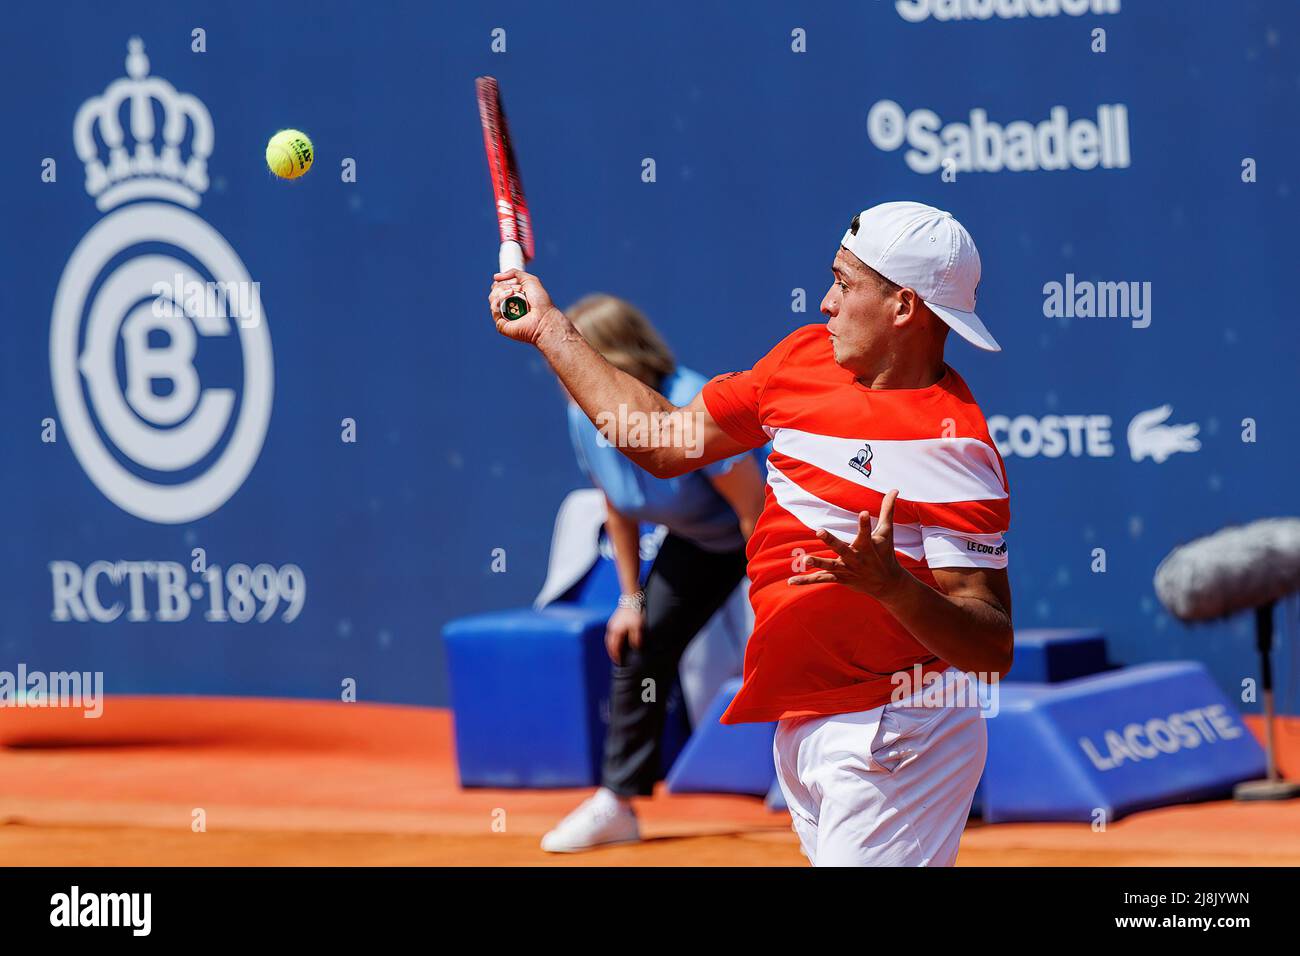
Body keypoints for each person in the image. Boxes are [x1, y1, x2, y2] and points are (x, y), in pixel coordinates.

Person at [489, 201, 1013, 866]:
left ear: (904, 307)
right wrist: (549, 329)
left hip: (901, 732)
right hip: (805, 724)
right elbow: (661, 440)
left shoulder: (953, 445)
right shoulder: (801, 359)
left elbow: (992, 644)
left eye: (846, 285)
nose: (825, 302)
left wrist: (896, 590)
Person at [540, 294, 766, 853]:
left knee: (795, 648)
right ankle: (618, 803)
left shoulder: (692, 404)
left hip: (761, 534)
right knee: (641, 646)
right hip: (698, 545)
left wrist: (773, 595)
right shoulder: (584, 413)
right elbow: (615, 504)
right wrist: (629, 599)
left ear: (615, 356)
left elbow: (752, 509)